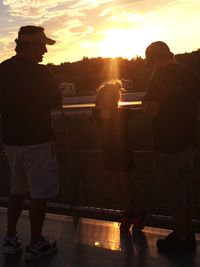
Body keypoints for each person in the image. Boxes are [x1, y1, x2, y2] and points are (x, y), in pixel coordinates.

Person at [0, 25, 62, 261]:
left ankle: (10, 238)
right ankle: (36, 243)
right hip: (38, 140)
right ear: (32, 45)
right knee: (39, 193)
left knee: (16, 189)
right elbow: (56, 102)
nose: (45, 50)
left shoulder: (3, 70)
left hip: (11, 142)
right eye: (43, 45)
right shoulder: (42, 73)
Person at [143, 41, 200, 251]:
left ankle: (182, 236)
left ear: (156, 59)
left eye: (151, 62)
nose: (151, 67)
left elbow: (152, 111)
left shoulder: (160, 76)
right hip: (187, 140)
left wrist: (145, 105)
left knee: (174, 191)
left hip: (168, 143)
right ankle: (187, 231)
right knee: (186, 189)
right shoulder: (188, 73)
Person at [91, 80, 145, 232]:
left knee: (127, 182)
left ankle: (138, 211)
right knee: (117, 182)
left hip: (122, 152)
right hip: (110, 152)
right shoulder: (98, 113)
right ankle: (128, 210)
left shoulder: (122, 113)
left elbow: (143, 111)